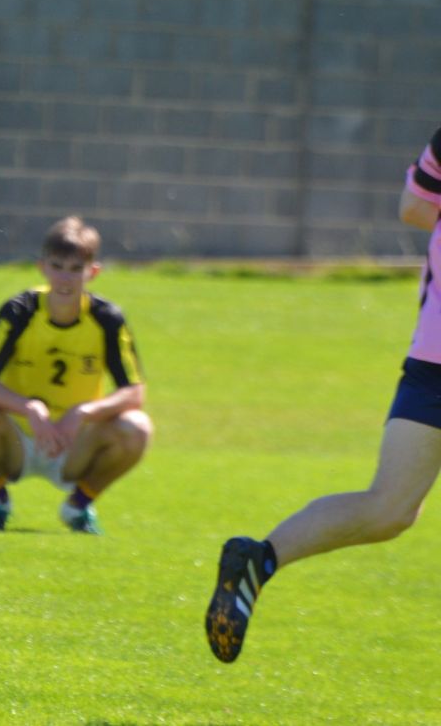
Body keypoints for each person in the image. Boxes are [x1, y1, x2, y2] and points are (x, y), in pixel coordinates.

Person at [205, 127, 441, 663]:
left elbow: (415, 208)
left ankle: (260, 560)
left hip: (432, 359)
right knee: (391, 507)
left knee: (390, 508)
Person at [0, 216, 152, 535]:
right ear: (42, 267)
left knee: (138, 428)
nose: (65, 278)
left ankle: (78, 506)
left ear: (93, 272)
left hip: (73, 445)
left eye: (76, 269)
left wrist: (83, 412)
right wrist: (30, 409)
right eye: (58, 266)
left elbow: (134, 393)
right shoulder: (19, 311)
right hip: (17, 440)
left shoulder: (107, 319)